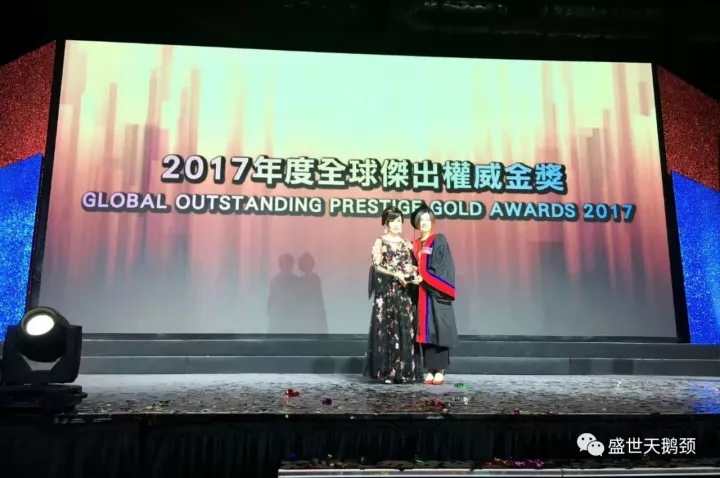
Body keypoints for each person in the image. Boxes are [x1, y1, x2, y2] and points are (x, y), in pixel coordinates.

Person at [364, 206, 424, 384]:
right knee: (388, 330)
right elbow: (377, 266)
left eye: (399, 221)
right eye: (393, 221)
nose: (397, 224)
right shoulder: (380, 242)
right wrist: (395, 274)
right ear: (386, 223)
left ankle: (404, 371)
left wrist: (413, 274)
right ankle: (387, 372)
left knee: (405, 329)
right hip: (387, 294)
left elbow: (410, 266)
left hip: (404, 293)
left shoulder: (406, 244)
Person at [410, 203, 458, 385]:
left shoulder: (438, 240)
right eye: (421, 220)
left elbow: (441, 266)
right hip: (421, 295)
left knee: (439, 329)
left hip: (436, 294)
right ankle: (430, 369)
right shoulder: (415, 244)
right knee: (425, 331)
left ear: (432, 222)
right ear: (416, 223)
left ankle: (441, 370)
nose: (424, 223)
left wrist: (423, 276)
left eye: (427, 220)